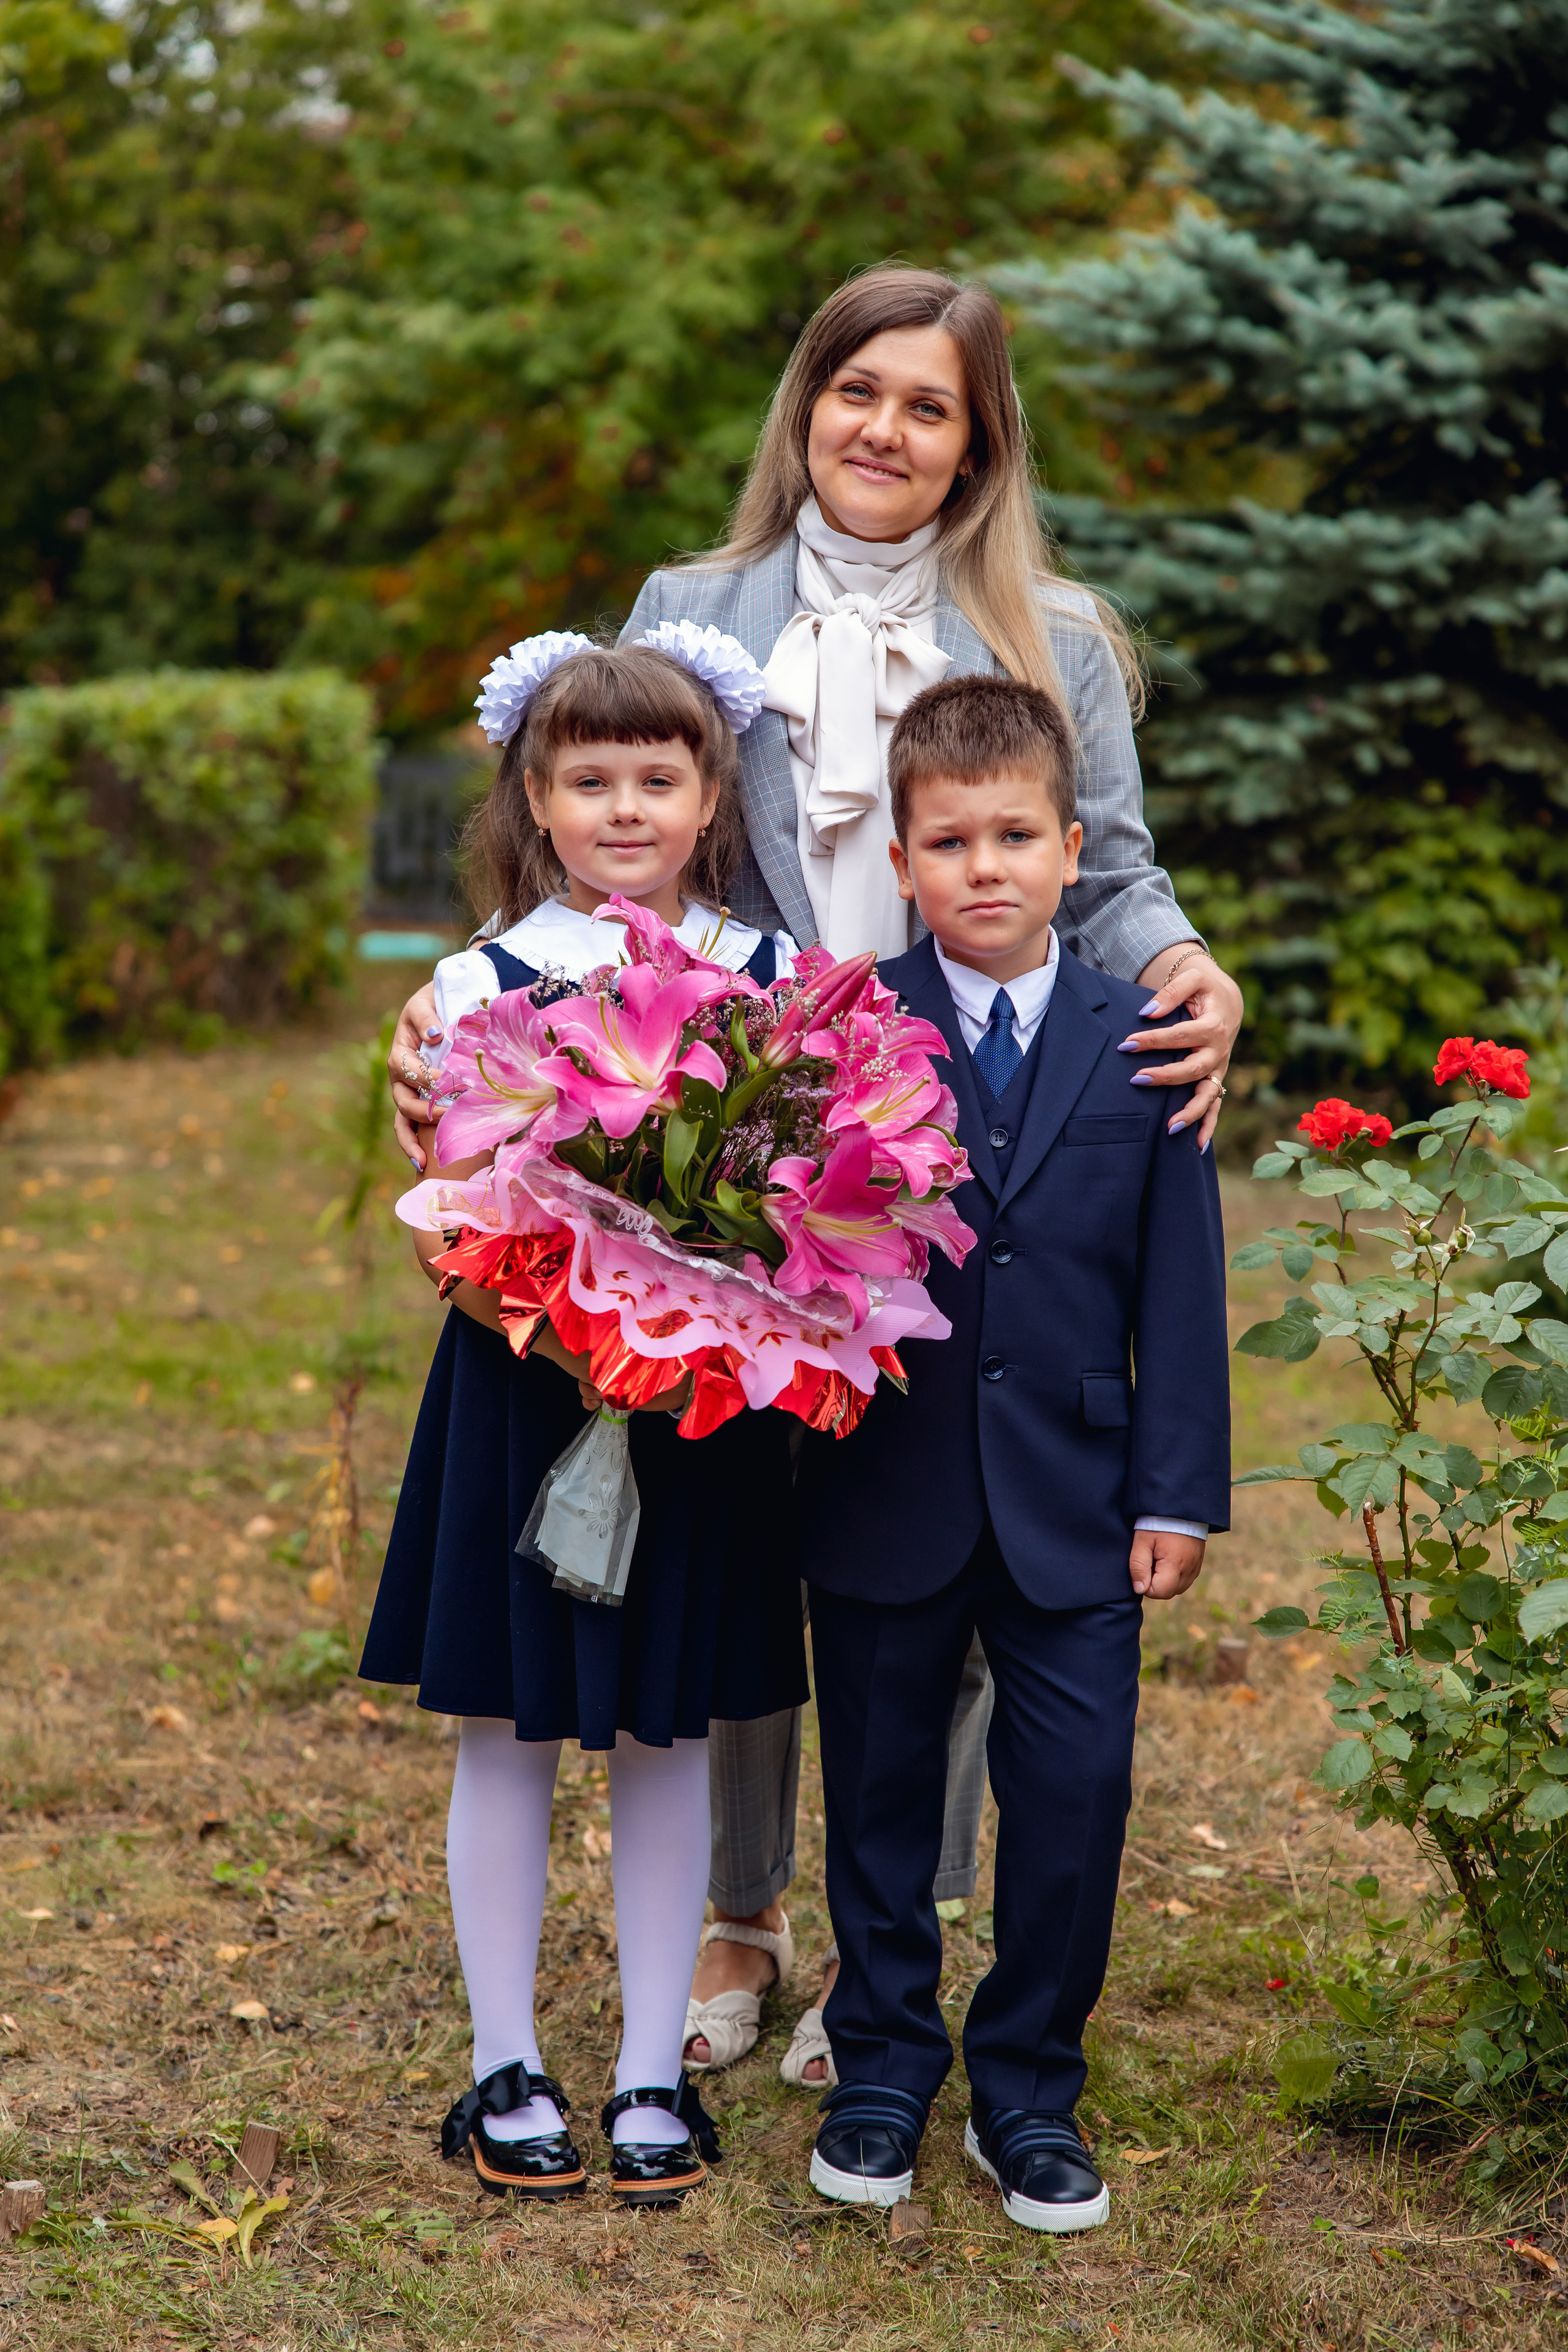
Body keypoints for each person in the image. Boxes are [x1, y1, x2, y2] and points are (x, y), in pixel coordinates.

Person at [383, 264, 1245, 2084]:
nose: (886, 429)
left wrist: (1192, 966)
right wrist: (465, 1048)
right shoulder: (702, 606)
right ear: (807, 404)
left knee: (939, 1519)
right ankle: (739, 1916)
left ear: (977, 442)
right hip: (736, 1130)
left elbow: (1117, 871)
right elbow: (611, 843)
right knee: (747, 1527)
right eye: (858, 391)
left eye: (931, 407)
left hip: (948, 1131)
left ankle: (892, 1939)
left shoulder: (1052, 629)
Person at [360, 631, 808, 2207]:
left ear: (707, 795)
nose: (625, 808)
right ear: (536, 799)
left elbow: (801, 1203)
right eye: (590, 779)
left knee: (663, 1727)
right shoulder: (476, 981)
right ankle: (503, 2061)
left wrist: (684, 1329)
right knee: (509, 1727)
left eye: (657, 777)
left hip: (696, 1406)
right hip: (520, 1386)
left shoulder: (770, 981)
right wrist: (552, 1318)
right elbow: (448, 1206)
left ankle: (641, 2078)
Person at [797, 673, 1229, 2229]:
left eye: (1015, 837)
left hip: (1078, 1498)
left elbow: (1179, 1281)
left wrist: (1177, 1486)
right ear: (901, 862)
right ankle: (880, 2068)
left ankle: (1030, 2087)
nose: (984, 867)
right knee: (880, 1797)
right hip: (882, 1487)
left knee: (1074, 1793)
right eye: (950, 841)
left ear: (1069, 851)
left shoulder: (1147, 1040)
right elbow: (800, 1263)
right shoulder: (843, 1033)